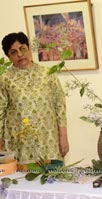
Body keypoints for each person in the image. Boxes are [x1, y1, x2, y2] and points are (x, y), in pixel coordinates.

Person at [0, 32, 69, 164]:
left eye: (22, 49)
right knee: (24, 182)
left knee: (55, 181)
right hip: (19, 145)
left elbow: (60, 105)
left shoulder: (47, 74)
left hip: (49, 142)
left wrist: (63, 136)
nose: (20, 54)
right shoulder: (4, 79)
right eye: (13, 52)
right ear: (8, 57)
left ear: (29, 48)